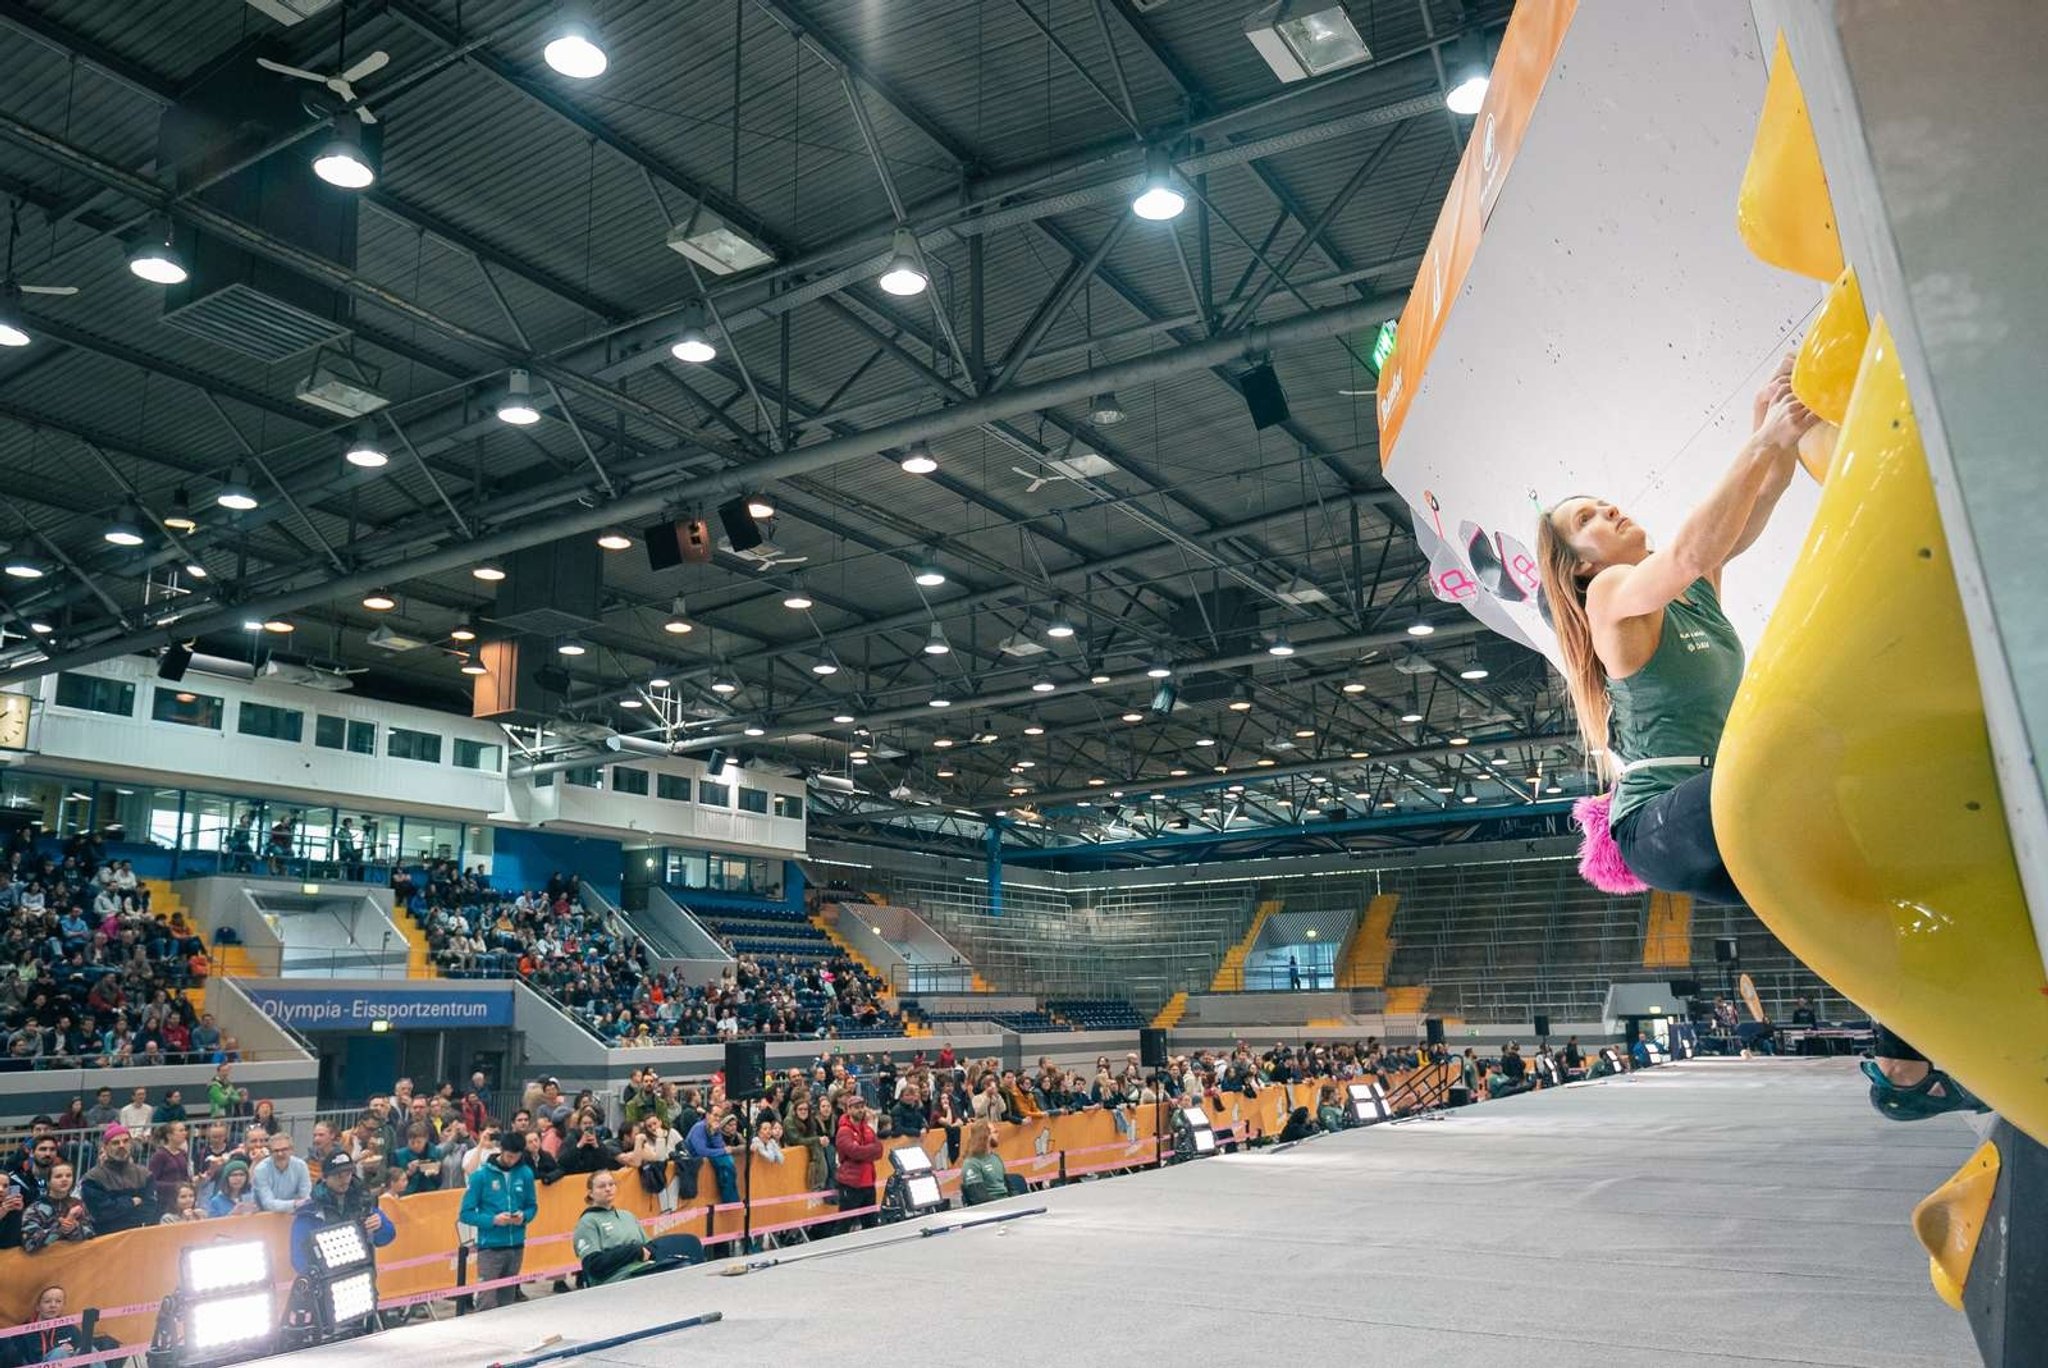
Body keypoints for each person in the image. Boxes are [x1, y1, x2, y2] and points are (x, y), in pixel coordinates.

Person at [1535, 361, 1970, 1119]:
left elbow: (1749, 512)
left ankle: (1904, 1072)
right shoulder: (1610, 595)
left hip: (1732, 813)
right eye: (1589, 519)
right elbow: (1693, 552)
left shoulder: (1692, 598)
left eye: (1603, 503)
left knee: (1864, 899)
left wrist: (1772, 426)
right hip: (1660, 824)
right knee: (1792, 758)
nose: (1608, 509)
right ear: (1580, 565)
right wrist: (1767, 436)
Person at [570, 1169, 699, 1286]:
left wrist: (639, 1252)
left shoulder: (627, 1216)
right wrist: (632, 1251)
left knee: (685, 1267)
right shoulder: (588, 1222)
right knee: (679, 1271)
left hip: (643, 1268)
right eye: (601, 1186)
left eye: (611, 1184)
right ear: (590, 1193)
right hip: (616, 1279)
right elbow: (594, 1266)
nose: (608, 1189)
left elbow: (649, 1249)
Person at [458, 1130, 536, 1310]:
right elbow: (465, 1213)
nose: (512, 1161)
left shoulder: (525, 1173)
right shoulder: (481, 1176)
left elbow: (532, 1206)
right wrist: (493, 1220)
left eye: (516, 1157)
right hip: (490, 1247)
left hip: (516, 1245)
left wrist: (524, 1217)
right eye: (509, 1156)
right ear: (501, 1150)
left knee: (507, 1302)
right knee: (486, 1301)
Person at [289, 1151, 395, 1275]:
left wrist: (380, 1226)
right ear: (325, 1177)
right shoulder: (311, 1212)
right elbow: (298, 1256)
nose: (344, 1180)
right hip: (326, 1281)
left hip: (361, 1277)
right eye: (338, 1175)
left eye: (348, 1174)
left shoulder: (363, 1202)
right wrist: (314, 1276)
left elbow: (387, 1236)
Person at [2, 1287, 117, 1368]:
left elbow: (81, 1352)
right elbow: (19, 1361)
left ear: (63, 1306)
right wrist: (58, 1352)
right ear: (38, 1307)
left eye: (58, 1302)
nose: (53, 1305)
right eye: (47, 1301)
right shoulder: (24, 1331)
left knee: (90, 1349)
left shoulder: (69, 1328)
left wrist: (71, 1353)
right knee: (59, 1353)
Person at [80, 1124, 157, 1232]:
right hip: (106, 1238)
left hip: (139, 1235)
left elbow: (150, 1209)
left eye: (126, 1141)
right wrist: (131, 1202)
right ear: (105, 1147)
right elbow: (101, 1213)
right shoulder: (93, 1178)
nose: (122, 1145)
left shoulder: (145, 1174)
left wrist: (117, 1205)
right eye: (115, 1143)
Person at [833, 1096, 883, 1232]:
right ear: (848, 1110)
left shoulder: (867, 1129)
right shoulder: (843, 1131)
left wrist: (863, 1151)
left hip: (868, 1183)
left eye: (861, 1107)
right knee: (844, 1224)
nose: (860, 1110)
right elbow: (854, 1152)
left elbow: (879, 1151)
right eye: (856, 1107)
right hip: (851, 1184)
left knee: (871, 1224)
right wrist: (869, 1151)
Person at [22, 1163, 92, 1251]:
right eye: (58, 1176)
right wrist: (60, 1229)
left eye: (68, 1176)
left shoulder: (78, 1204)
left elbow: (91, 1234)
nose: (64, 1179)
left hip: (73, 1260)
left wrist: (74, 1228)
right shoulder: (35, 1209)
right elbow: (30, 1243)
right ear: (48, 1181)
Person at [684, 1101, 738, 1205]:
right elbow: (702, 1151)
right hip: (693, 1163)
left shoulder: (716, 1128)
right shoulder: (698, 1128)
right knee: (726, 1161)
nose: (718, 1119)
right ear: (708, 1115)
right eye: (715, 1115)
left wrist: (714, 1134)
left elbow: (720, 1147)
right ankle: (730, 1200)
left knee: (728, 1161)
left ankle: (731, 1200)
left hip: (708, 1161)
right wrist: (723, 1150)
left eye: (720, 1116)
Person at [957, 1120, 1009, 1207]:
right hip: (993, 1208)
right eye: (995, 1132)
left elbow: (1007, 1185)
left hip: (1005, 1203)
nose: (998, 1134)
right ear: (985, 1136)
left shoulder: (995, 1157)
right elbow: (979, 1197)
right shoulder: (972, 1164)